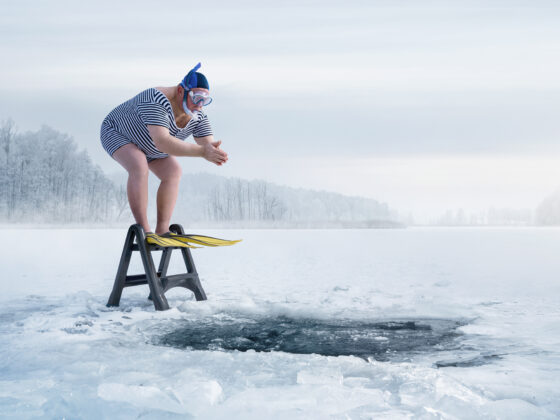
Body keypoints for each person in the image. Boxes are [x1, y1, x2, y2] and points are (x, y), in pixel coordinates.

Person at [100, 63, 227, 245]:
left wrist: (214, 152)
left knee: (173, 172)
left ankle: (162, 229)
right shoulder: (156, 100)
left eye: (204, 101)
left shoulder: (198, 114)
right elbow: (164, 142)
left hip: (150, 145)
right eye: (197, 97)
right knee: (138, 164)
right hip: (117, 132)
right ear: (182, 91)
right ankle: (145, 230)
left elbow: (208, 145)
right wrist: (201, 152)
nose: (200, 105)